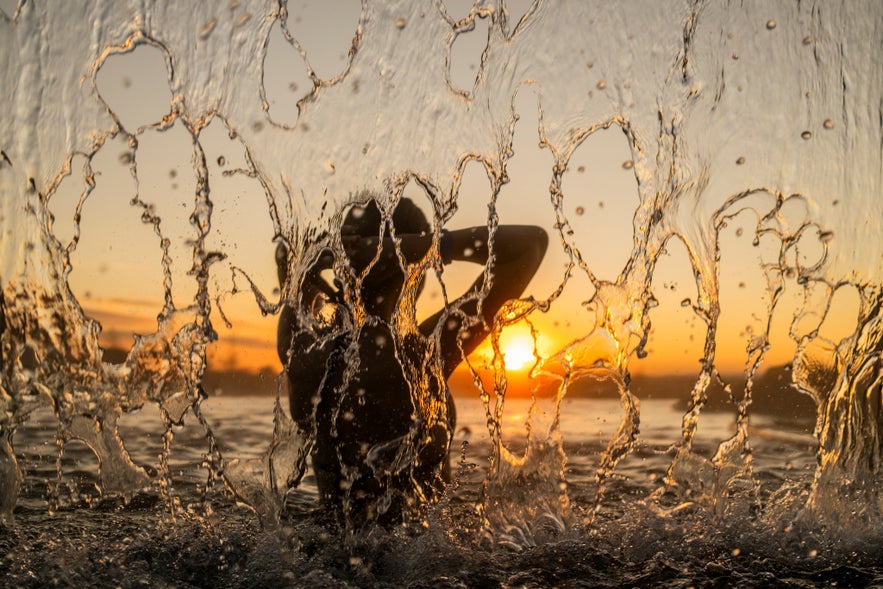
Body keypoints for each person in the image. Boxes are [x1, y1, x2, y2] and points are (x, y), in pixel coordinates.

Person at [276, 196, 547, 525]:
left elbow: (290, 267)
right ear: (413, 271)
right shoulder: (420, 358)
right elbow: (530, 246)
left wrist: (323, 256)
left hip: (324, 561)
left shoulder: (305, 354)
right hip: (421, 567)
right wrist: (424, 248)